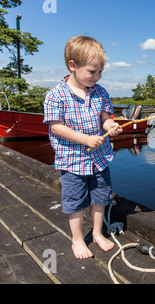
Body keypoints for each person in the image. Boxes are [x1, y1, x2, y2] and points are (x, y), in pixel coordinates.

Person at [43, 36, 123, 259]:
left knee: (100, 198)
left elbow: (105, 119)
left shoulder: (100, 92)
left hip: (100, 158)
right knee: (75, 202)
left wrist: (111, 126)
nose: (96, 77)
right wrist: (86, 139)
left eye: (100, 72)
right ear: (73, 65)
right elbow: (57, 127)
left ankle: (97, 233)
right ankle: (77, 239)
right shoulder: (55, 95)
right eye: (92, 72)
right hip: (72, 161)